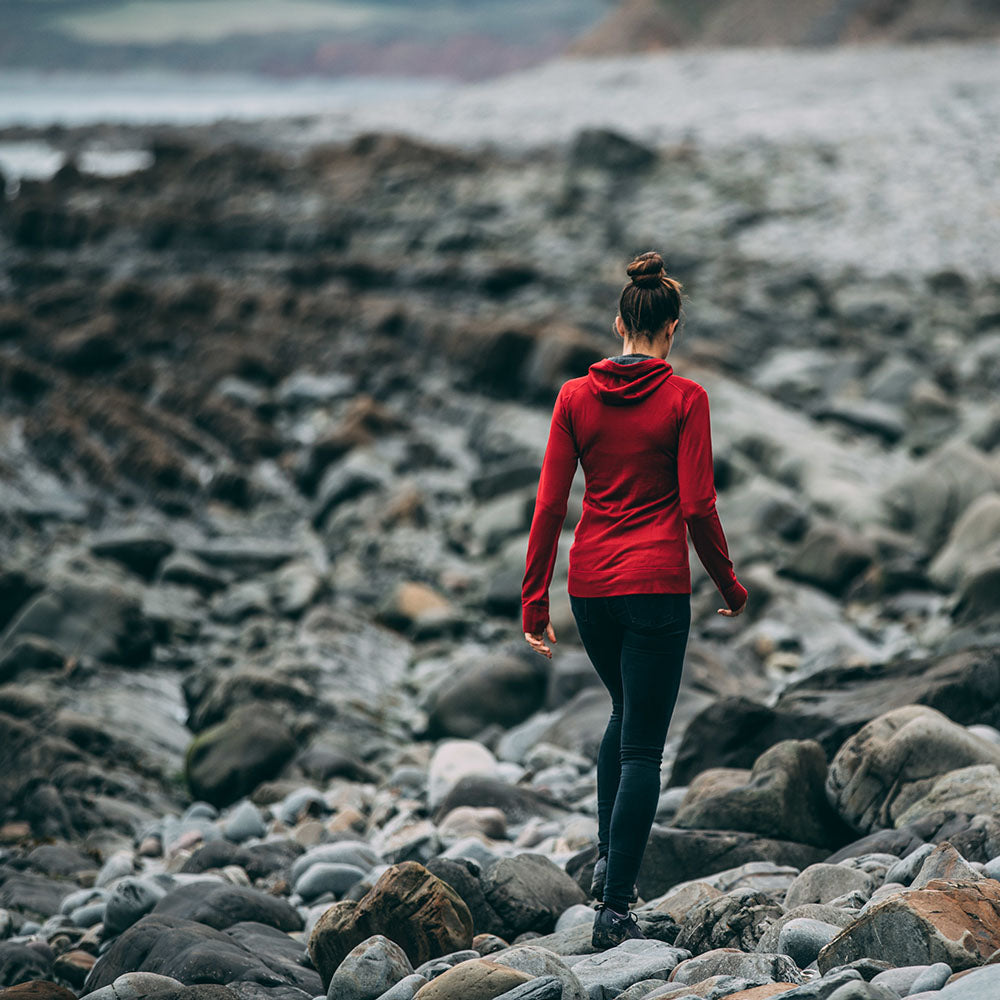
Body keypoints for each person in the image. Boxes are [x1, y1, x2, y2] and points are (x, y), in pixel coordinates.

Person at [520, 250, 748, 950]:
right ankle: (616, 907)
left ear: (620, 322)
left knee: (624, 713)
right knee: (644, 745)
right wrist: (728, 583)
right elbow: (699, 505)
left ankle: (606, 869)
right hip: (654, 589)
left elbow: (551, 506)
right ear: (671, 328)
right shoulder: (686, 401)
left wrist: (534, 600)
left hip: (589, 591)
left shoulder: (573, 398)